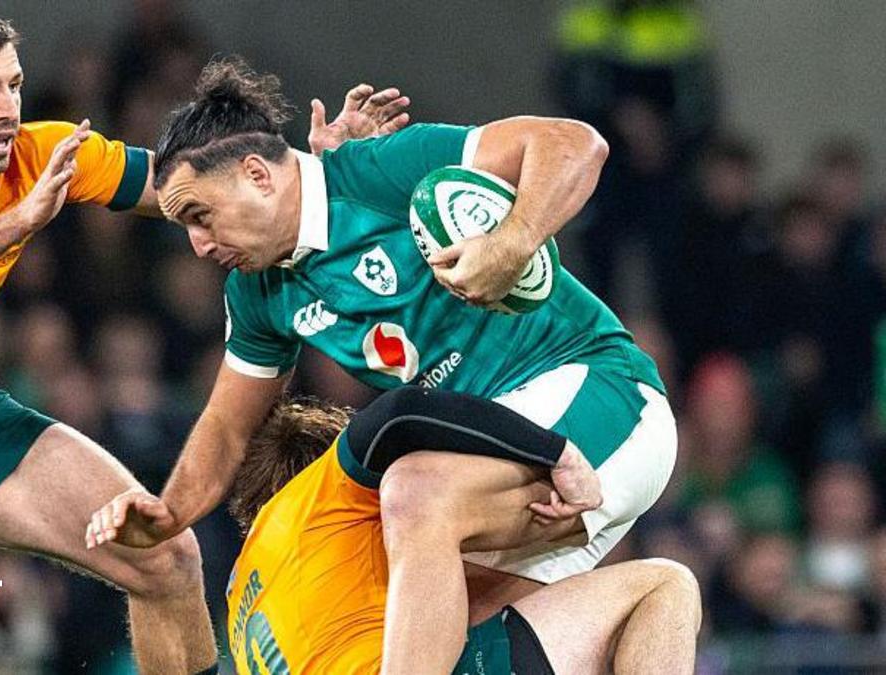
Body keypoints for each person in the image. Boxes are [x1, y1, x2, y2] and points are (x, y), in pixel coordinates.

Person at [0, 5, 409, 673]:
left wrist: (312, 171)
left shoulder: (38, 155)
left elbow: (190, 185)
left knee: (165, 556)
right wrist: (20, 220)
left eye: (14, 85)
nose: (8, 108)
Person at [87, 57, 677, 674]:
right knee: (422, 623)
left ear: (257, 174)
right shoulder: (259, 292)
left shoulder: (377, 170)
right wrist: (169, 512)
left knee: (413, 493)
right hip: (502, 456)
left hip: (599, 393)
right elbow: (228, 427)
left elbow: (575, 144)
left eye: (200, 216)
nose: (198, 245)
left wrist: (513, 241)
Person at [223, 389, 701, 674]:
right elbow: (398, 411)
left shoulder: (240, 602)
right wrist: (555, 452)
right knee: (665, 586)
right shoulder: (315, 498)